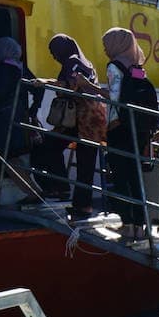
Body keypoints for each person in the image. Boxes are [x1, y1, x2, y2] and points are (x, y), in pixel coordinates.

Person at [101, 27, 153, 242]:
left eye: (106, 44)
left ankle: (128, 225)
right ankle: (140, 226)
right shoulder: (137, 67)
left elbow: (114, 97)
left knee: (120, 177)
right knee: (135, 176)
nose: (105, 49)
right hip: (138, 128)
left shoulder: (114, 66)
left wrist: (88, 87)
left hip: (119, 127)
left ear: (116, 44)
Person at [47, 34, 106, 219]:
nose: (53, 56)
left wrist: (46, 83)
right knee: (85, 163)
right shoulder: (83, 61)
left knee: (51, 147)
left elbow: (71, 85)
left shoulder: (72, 61)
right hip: (89, 118)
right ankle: (81, 204)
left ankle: (66, 192)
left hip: (84, 118)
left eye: (54, 51)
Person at [0, 36, 42, 162]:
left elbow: (0, 93)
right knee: (18, 154)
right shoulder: (21, 67)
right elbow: (39, 88)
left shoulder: (5, 69)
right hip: (19, 115)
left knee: (7, 155)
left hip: (6, 117)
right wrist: (34, 109)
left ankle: (18, 175)